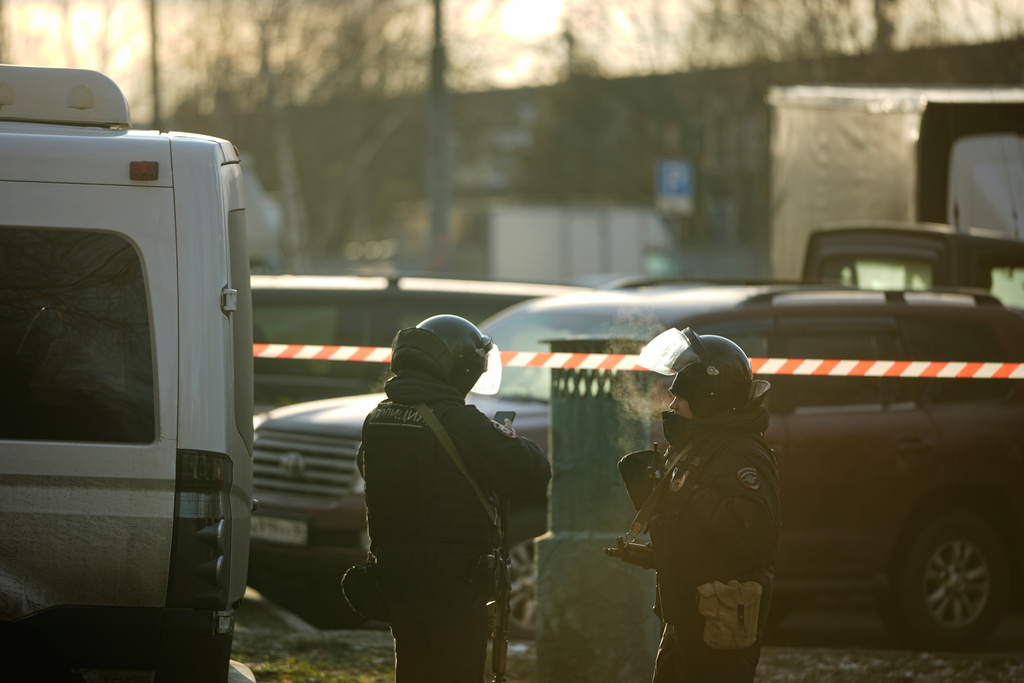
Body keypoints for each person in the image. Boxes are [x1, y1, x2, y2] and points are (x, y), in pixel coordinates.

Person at [357, 314, 551, 683]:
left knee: (413, 668)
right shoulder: (459, 421)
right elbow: (533, 471)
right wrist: (504, 437)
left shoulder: (378, 418)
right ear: (459, 371)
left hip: (396, 577)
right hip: (454, 585)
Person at [605, 327, 780, 683]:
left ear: (708, 399)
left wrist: (684, 493)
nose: (672, 406)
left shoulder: (740, 451)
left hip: (719, 620)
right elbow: (703, 534)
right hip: (688, 613)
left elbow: (752, 532)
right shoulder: (704, 444)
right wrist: (655, 553)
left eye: (681, 399)